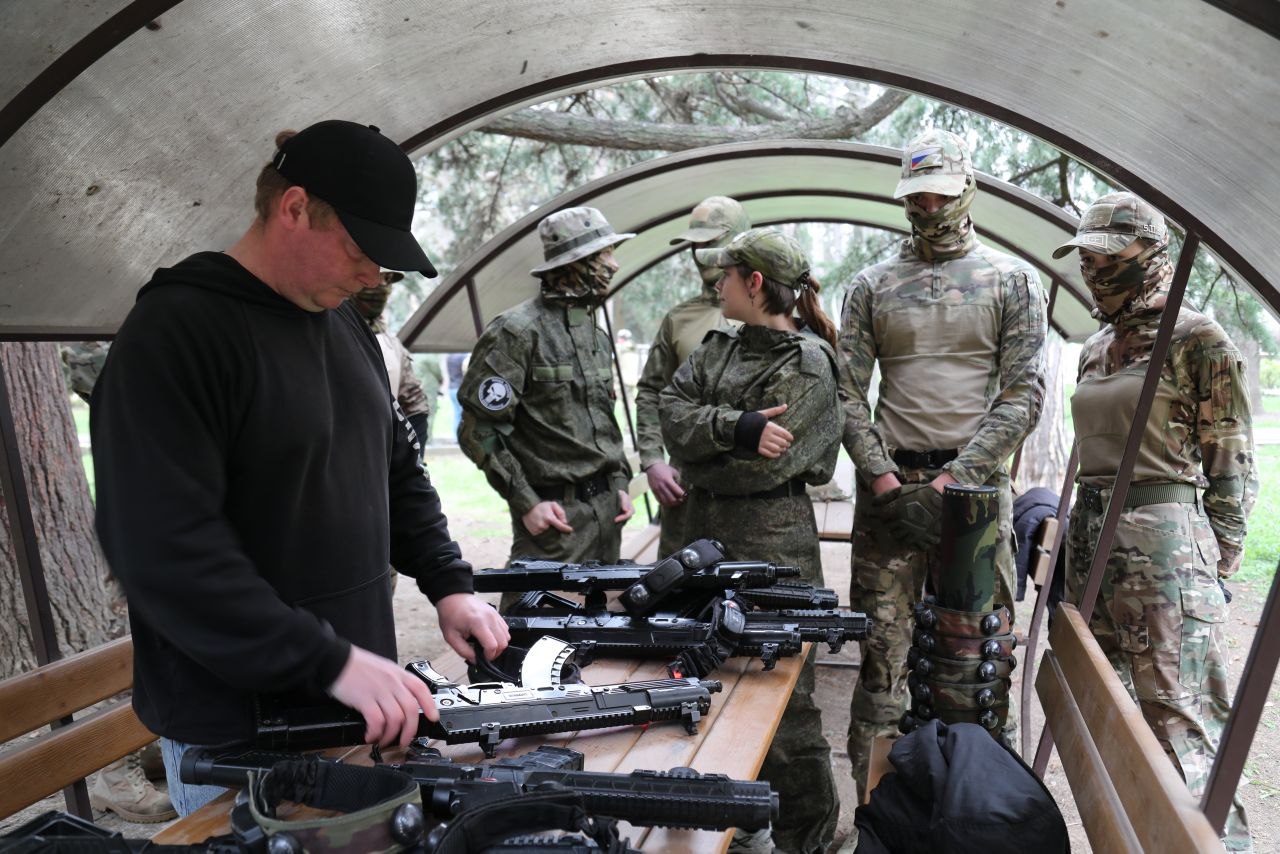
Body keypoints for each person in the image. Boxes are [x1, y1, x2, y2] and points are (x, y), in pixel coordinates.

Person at [90, 120, 509, 816]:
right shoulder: (176, 334)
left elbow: (396, 467)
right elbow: (164, 548)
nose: (375, 276)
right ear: (293, 209)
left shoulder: (340, 323)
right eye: (361, 250)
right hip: (237, 737)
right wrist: (330, 660)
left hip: (352, 716)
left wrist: (447, 582)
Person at [838, 127, 1048, 799]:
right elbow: (846, 391)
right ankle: (879, 817)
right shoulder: (872, 284)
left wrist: (958, 479)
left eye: (938, 195)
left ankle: (979, 819)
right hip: (889, 493)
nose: (926, 208)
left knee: (975, 661)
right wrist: (882, 476)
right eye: (915, 198)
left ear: (967, 190)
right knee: (882, 664)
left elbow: (1023, 394)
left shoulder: (1010, 282)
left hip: (974, 501)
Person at [1055, 192, 1255, 851]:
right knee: (1112, 715)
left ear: (1150, 252)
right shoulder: (1097, 345)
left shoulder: (1196, 338)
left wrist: (1217, 559)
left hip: (1163, 553)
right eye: (1085, 255)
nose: (1092, 266)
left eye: (1107, 255)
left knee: (1177, 721)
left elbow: (1228, 457)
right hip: (1093, 547)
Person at [660, 227, 842, 854]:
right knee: (705, 687)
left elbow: (766, 469)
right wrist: (735, 426)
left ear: (755, 282)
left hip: (774, 552)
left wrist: (701, 453)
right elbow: (669, 413)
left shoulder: (809, 362)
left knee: (784, 704)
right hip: (700, 541)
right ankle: (738, 832)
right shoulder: (719, 346)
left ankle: (805, 840)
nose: (718, 283)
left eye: (728, 274)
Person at [457, 207, 636, 590]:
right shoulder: (517, 332)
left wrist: (619, 482)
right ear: (576, 263)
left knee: (602, 636)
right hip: (556, 523)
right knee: (532, 637)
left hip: (608, 518)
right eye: (605, 255)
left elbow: (604, 422)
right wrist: (527, 503)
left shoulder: (596, 336)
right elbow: (477, 429)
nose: (615, 265)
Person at [634, 195, 750, 556]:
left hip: (753, 493)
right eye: (694, 245)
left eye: (710, 243)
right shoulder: (678, 319)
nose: (700, 254)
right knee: (677, 594)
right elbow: (651, 392)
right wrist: (653, 461)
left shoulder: (774, 314)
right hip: (687, 487)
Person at [350, 270, 432, 446]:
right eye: (376, 276)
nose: (380, 286)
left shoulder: (392, 344)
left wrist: (413, 462)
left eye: (386, 279)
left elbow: (413, 403)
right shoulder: (329, 332)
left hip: (380, 458)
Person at [413, 353, 444, 445]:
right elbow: (437, 371)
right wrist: (441, 379)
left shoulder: (414, 354)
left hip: (416, 387)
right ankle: (428, 439)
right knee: (430, 412)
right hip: (428, 387)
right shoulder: (430, 356)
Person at [446, 352, 467, 439]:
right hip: (460, 388)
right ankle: (458, 437)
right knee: (460, 414)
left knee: (456, 413)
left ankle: (455, 436)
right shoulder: (463, 356)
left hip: (451, 388)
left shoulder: (449, 357)